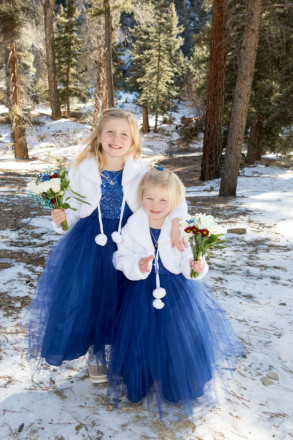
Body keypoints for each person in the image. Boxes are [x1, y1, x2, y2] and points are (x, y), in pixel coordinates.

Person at [24, 109, 188, 383]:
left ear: (134, 141)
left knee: (129, 296)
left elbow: (175, 194)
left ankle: (124, 351)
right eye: (110, 132)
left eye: (124, 134)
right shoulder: (82, 170)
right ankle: (96, 354)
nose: (116, 139)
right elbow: (72, 212)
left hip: (131, 238)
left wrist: (176, 221)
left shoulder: (144, 169)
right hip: (91, 242)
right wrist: (61, 217)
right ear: (99, 136)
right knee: (92, 296)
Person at [108, 167, 244, 416]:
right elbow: (119, 257)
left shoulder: (180, 227)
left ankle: (178, 384)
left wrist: (196, 266)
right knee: (141, 337)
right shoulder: (133, 225)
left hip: (176, 291)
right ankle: (141, 379)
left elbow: (190, 257)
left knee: (179, 339)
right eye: (150, 198)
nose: (156, 205)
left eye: (163, 200)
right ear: (142, 197)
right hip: (141, 291)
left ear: (174, 202)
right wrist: (135, 264)